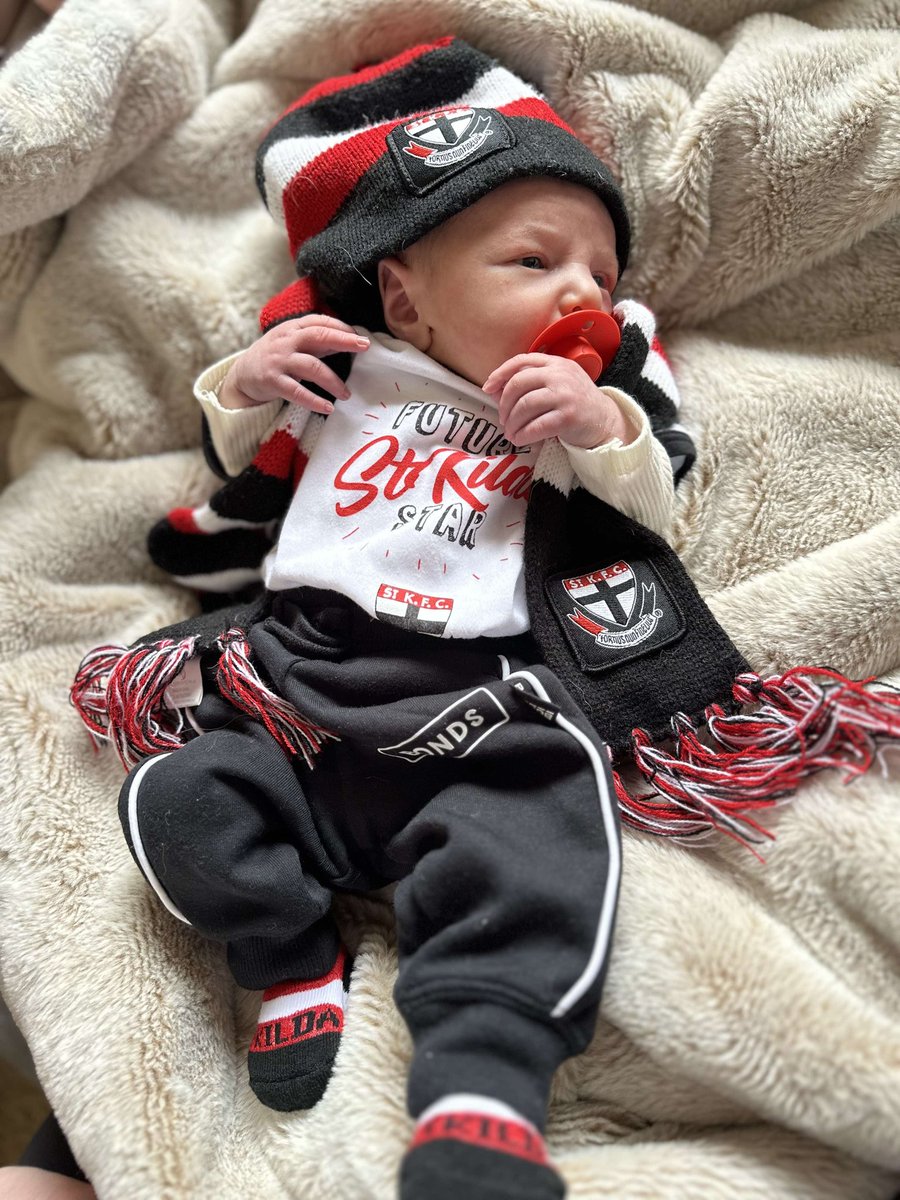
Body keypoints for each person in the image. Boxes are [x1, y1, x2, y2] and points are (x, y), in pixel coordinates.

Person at [104, 38, 695, 1200]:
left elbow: (654, 491)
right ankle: (286, 952)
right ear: (406, 294)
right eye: (534, 258)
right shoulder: (353, 365)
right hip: (303, 691)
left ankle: (483, 1100)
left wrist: (597, 422)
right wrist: (251, 378)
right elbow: (249, 460)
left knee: (534, 852)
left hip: (486, 704)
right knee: (179, 801)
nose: (583, 288)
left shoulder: (609, 375)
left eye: (601, 267)